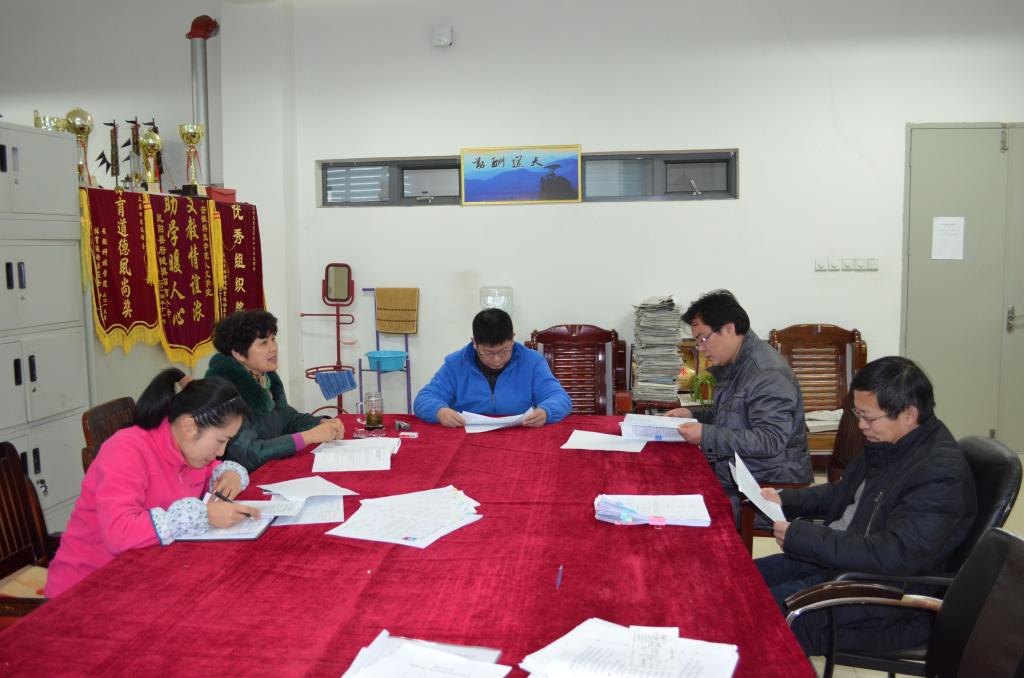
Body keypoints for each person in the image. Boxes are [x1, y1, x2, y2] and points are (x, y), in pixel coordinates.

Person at [755, 356, 977, 656]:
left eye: (869, 418)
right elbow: (843, 493)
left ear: (909, 414)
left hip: (884, 596)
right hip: (841, 563)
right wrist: (784, 499)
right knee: (738, 580)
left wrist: (805, 537)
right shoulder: (890, 443)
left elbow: (895, 554)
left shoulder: (939, 473)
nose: (861, 426)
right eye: (857, 414)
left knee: (754, 616)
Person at [45, 369, 259, 598]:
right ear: (189, 426)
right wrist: (203, 515)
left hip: (146, 574)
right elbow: (119, 533)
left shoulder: (187, 449)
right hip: (87, 586)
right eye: (220, 440)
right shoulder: (126, 450)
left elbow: (209, 471)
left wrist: (228, 474)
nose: (221, 452)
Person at [665, 290, 811, 517]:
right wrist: (693, 415)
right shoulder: (737, 362)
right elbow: (734, 413)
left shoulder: (767, 374)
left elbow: (769, 440)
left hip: (766, 485)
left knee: (678, 503)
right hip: (740, 470)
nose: (701, 348)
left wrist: (706, 435)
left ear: (729, 329)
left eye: (703, 339)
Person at [205, 309, 344, 472]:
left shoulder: (265, 378)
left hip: (270, 468)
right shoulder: (223, 391)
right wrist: (309, 436)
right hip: (240, 477)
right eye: (263, 343)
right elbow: (249, 453)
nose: (273, 348)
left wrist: (321, 423)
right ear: (238, 354)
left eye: (273, 339)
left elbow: (287, 419)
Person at [414, 308, 572, 427]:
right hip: (466, 439)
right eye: (488, 353)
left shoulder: (532, 361)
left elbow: (560, 398)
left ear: (513, 338)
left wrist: (546, 412)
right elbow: (423, 400)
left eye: (504, 351)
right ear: (474, 343)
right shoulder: (455, 364)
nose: (497, 360)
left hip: (519, 437)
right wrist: (439, 412)